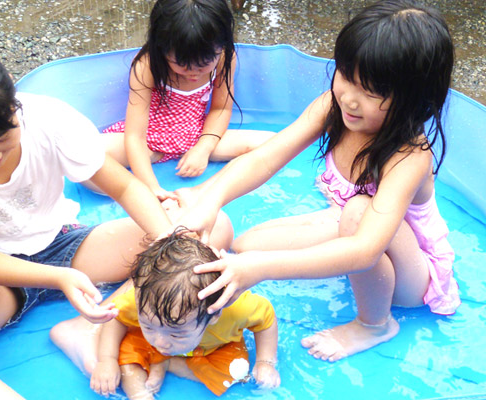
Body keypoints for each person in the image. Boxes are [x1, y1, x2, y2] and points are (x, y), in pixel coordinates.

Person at [0, 29, 233, 399]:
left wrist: (168, 246)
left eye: (1, 138)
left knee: (206, 225)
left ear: (11, 99)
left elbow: (125, 188)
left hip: (67, 244)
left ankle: (94, 327)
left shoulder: (48, 120)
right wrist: (59, 278)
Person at [176, 0, 461, 363]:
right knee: (246, 247)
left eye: (371, 91)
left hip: (413, 274)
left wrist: (259, 271)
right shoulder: (333, 107)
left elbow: (365, 250)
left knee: (354, 214)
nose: (350, 99)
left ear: (415, 99)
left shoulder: (408, 157)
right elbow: (265, 158)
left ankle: (374, 324)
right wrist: (210, 200)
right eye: (347, 77)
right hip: (353, 222)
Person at [101, 0, 275, 201]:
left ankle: (204, 190)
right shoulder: (147, 65)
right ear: (162, 48)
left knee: (273, 145)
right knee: (91, 158)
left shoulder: (224, 56)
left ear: (221, 46)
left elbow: (221, 109)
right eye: (182, 64)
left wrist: (203, 148)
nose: (193, 73)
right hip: (150, 140)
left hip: (196, 134)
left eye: (204, 64)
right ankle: (152, 166)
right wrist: (151, 187)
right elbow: (135, 136)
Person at [89, 229, 280, 398]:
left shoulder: (235, 308)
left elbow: (267, 319)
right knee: (125, 352)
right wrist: (107, 360)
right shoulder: (143, 301)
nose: (160, 342)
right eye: (148, 326)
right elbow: (115, 318)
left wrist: (265, 361)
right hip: (154, 345)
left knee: (237, 371)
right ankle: (140, 396)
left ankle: (167, 364)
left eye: (176, 334)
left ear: (214, 315)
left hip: (215, 347)